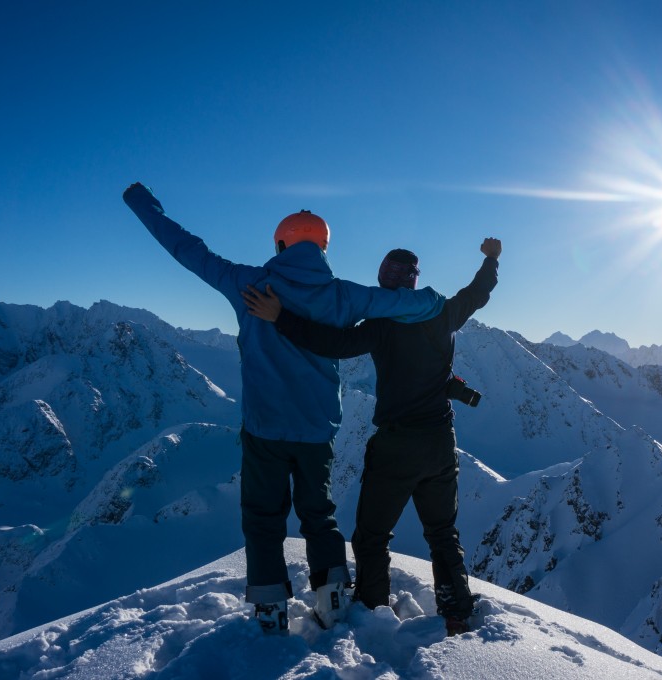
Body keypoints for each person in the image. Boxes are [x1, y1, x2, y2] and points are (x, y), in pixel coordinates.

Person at [123, 183, 446, 634]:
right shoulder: (345, 295)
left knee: (262, 519)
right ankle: (332, 596)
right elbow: (413, 303)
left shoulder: (247, 283)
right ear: (323, 247)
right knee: (319, 515)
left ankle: (270, 608)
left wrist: (143, 203)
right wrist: (435, 300)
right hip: (317, 430)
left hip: (264, 430)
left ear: (280, 243)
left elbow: (186, 248)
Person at [242, 238, 501, 635]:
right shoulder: (446, 312)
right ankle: (456, 609)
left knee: (373, 535)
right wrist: (491, 260)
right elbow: (479, 291)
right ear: (415, 281)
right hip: (440, 441)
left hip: (397, 445)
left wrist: (280, 317)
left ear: (385, 279)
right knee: (442, 532)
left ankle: (373, 605)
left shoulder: (383, 324)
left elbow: (333, 344)